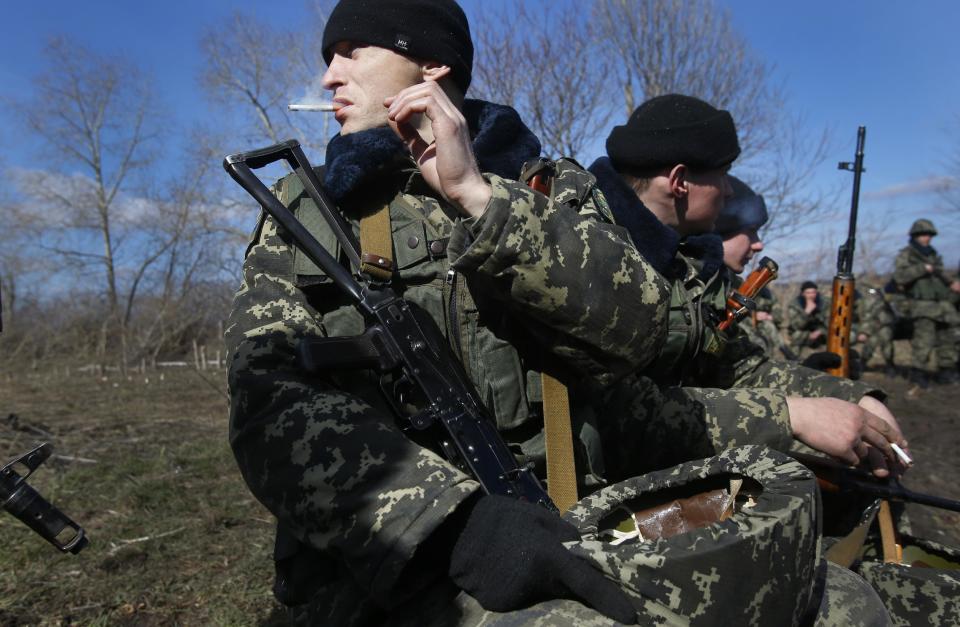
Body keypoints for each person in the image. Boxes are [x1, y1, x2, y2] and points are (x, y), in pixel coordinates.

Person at [587, 94, 907, 479]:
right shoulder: (593, 256)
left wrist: (854, 398)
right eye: (722, 174)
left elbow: (738, 366)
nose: (730, 191)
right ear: (679, 181)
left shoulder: (681, 265)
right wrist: (792, 418)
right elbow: (618, 418)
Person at [715, 175, 787, 360]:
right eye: (751, 230)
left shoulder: (723, 286)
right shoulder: (671, 283)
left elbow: (740, 366)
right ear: (722, 228)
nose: (759, 245)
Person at [893, 218, 960, 386]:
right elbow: (899, 277)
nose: (926, 238)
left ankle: (946, 371)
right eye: (923, 234)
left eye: (929, 235)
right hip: (921, 305)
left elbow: (942, 276)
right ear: (915, 235)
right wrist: (922, 268)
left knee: (947, 339)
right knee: (924, 341)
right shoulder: (907, 254)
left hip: (942, 304)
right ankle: (918, 373)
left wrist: (952, 284)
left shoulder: (933, 254)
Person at [788, 281, 829, 356]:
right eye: (808, 293)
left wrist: (820, 331)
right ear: (803, 293)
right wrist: (806, 312)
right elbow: (795, 325)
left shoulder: (824, 303)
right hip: (804, 332)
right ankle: (794, 360)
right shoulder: (795, 304)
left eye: (813, 292)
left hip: (820, 332)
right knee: (795, 336)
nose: (811, 295)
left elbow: (830, 323)